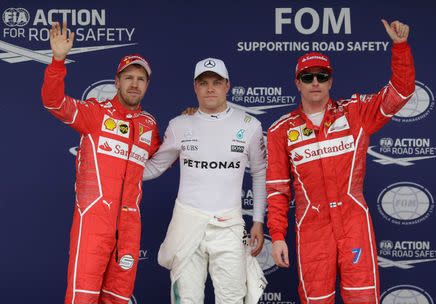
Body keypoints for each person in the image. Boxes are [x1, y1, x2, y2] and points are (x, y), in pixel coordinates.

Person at [266, 19, 415, 303]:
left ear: (331, 80)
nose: (315, 83)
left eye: (322, 76)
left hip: (354, 224)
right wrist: (278, 236)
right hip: (312, 230)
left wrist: (400, 47)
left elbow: (401, 92)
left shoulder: (356, 112)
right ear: (297, 82)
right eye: (308, 77)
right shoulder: (280, 131)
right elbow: (277, 191)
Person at [41, 22, 161, 304]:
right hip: (93, 220)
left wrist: (191, 121)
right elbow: (53, 102)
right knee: (82, 298)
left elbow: (164, 154)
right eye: (128, 77)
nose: (134, 84)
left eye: (140, 79)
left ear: (146, 86)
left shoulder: (149, 125)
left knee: (117, 299)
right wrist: (58, 61)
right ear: (116, 82)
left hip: (130, 226)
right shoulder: (94, 113)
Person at [143, 58, 267, 303]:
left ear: (227, 86)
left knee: (232, 298)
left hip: (230, 225)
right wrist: (112, 170)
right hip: (187, 224)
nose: (210, 88)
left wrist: (258, 221)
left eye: (216, 82)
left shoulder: (249, 125)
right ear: (195, 87)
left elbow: (260, 173)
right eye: (204, 83)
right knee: (186, 299)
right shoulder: (180, 124)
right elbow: (155, 167)